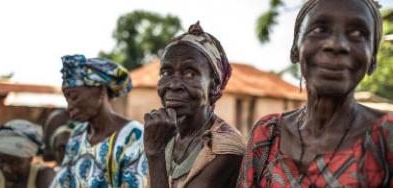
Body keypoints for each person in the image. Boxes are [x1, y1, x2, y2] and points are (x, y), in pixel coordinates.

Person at [237, 0, 393, 187]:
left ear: (373, 59)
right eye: (320, 29)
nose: (336, 45)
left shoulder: (387, 136)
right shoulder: (267, 133)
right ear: (295, 49)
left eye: (358, 33)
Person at [144, 22, 246, 188]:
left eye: (190, 73)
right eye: (166, 73)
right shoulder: (166, 134)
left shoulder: (225, 148)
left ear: (214, 87)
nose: (173, 84)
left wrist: (155, 154)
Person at [50, 55, 147, 188]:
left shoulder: (134, 137)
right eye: (67, 99)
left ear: (101, 91)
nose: (69, 107)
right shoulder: (78, 135)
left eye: (74, 97)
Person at [0, 119, 55, 188]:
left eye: (14, 163)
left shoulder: (43, 177)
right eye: (1, 161)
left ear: (30, 158)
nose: (6, 169)